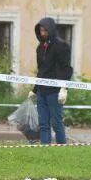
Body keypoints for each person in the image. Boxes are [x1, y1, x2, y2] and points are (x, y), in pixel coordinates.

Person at [33, 17, 71, 145]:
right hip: (41, 91)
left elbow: (67, 69)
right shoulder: (39, 48)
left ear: (51, 30)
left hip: (55, 91)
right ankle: (45, 151)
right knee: (43, 124)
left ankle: (61, 150)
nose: (43, 33)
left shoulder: (61, 46)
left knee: (56, 123)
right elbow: (41, 71)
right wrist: (34, 90)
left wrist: (64, 88)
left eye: (45, 30)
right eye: (41, 31)